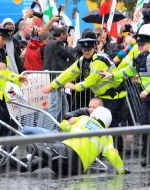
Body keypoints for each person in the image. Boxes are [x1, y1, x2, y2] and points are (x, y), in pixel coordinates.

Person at [43, 31, 127, 152]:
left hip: (115, 96)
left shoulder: (100, 60)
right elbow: (68, 74)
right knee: (101, 124)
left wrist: (73, 86)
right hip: (102, 96)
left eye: (89, 49)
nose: (86, 52)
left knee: (111, 124)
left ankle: (117, 152)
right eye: (84, 49)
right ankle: (105, 151)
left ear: (94, 47)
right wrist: (51, 86)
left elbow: (90, 82)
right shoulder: (82, 61)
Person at [20, 107, 129, 176]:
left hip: (68, 152)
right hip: (77, 169)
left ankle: (35, 153)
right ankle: (32, 165)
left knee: (46, 148)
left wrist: (70, 121)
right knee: (50, 159)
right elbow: (112, 154)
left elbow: (63, 126)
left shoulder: (83, 119)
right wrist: (121, 169)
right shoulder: (107, 136)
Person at [101, 23, 150, 167]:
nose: (139, 46)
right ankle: (146, 156)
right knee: (145, 125)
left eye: (143, 43)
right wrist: (111, 74)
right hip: (146, 97)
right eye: (138, 43)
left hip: (146, 93)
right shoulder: (140, 57)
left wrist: (147, 90)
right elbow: (127, 71)